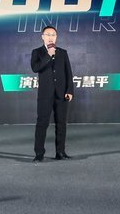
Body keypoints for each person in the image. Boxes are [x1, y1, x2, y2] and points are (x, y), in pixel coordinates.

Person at [30, 25, 74, 162]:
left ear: (56, 37)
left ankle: (60, 152)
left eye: (53, 35)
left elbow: (68, 73)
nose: (51, 37)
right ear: (42, 37)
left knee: (61, 124)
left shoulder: (63, 52)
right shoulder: (37, 52)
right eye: (48, 34)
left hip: (62, 94)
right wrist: (48, 55)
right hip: (45, 94)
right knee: (42, 123)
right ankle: (39, 154)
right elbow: (35, 68)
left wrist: (69, 90)